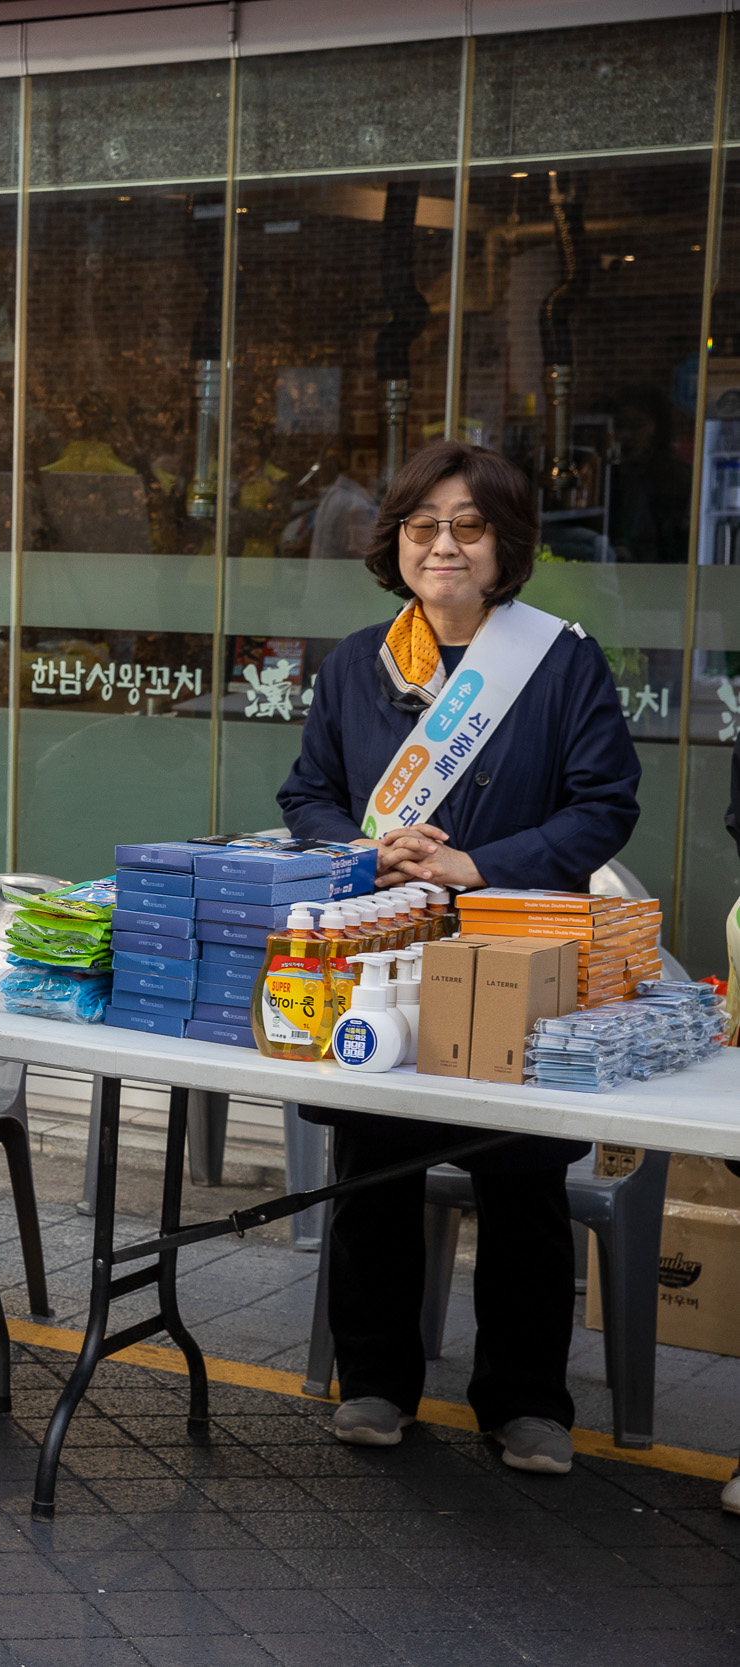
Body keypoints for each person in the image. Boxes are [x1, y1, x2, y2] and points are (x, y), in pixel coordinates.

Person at [278, 439, 640, 1476]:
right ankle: (376, 1380)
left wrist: (479, 860)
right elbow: (304, 795)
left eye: (468, 525)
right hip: (381, 949)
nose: (444, 544)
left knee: (523, 1182)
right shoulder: (357, 662)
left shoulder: (559, 660)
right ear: (395, 543)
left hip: (517, 955)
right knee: (372, 1171)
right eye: (423, 524)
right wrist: (361, 845)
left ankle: (524, 1399)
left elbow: (602, 805)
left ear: (504, 545)